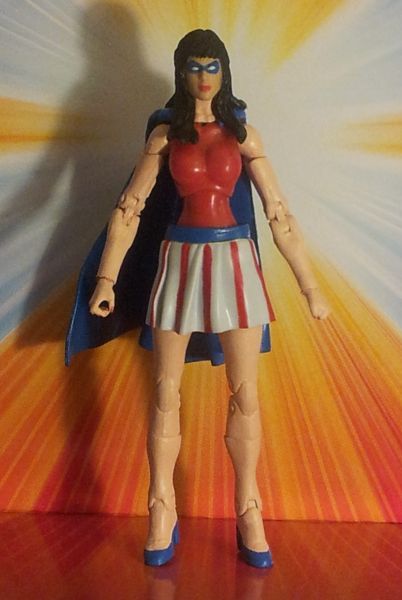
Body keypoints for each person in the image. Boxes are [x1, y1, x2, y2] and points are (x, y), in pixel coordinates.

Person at [86, 29, 330, 568]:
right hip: (180, 259)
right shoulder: (165, 135)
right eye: (194, 66)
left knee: (245, 393)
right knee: (165, 392)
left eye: (212, 65)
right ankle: (161, 506)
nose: (203, 76)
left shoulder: (242, 134)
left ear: (224, 71)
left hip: (234, 259)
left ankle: (249, 508)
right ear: (181, 72)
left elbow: (280, 214)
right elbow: (130, 208)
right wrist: (106, 279)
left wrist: (309, 285)